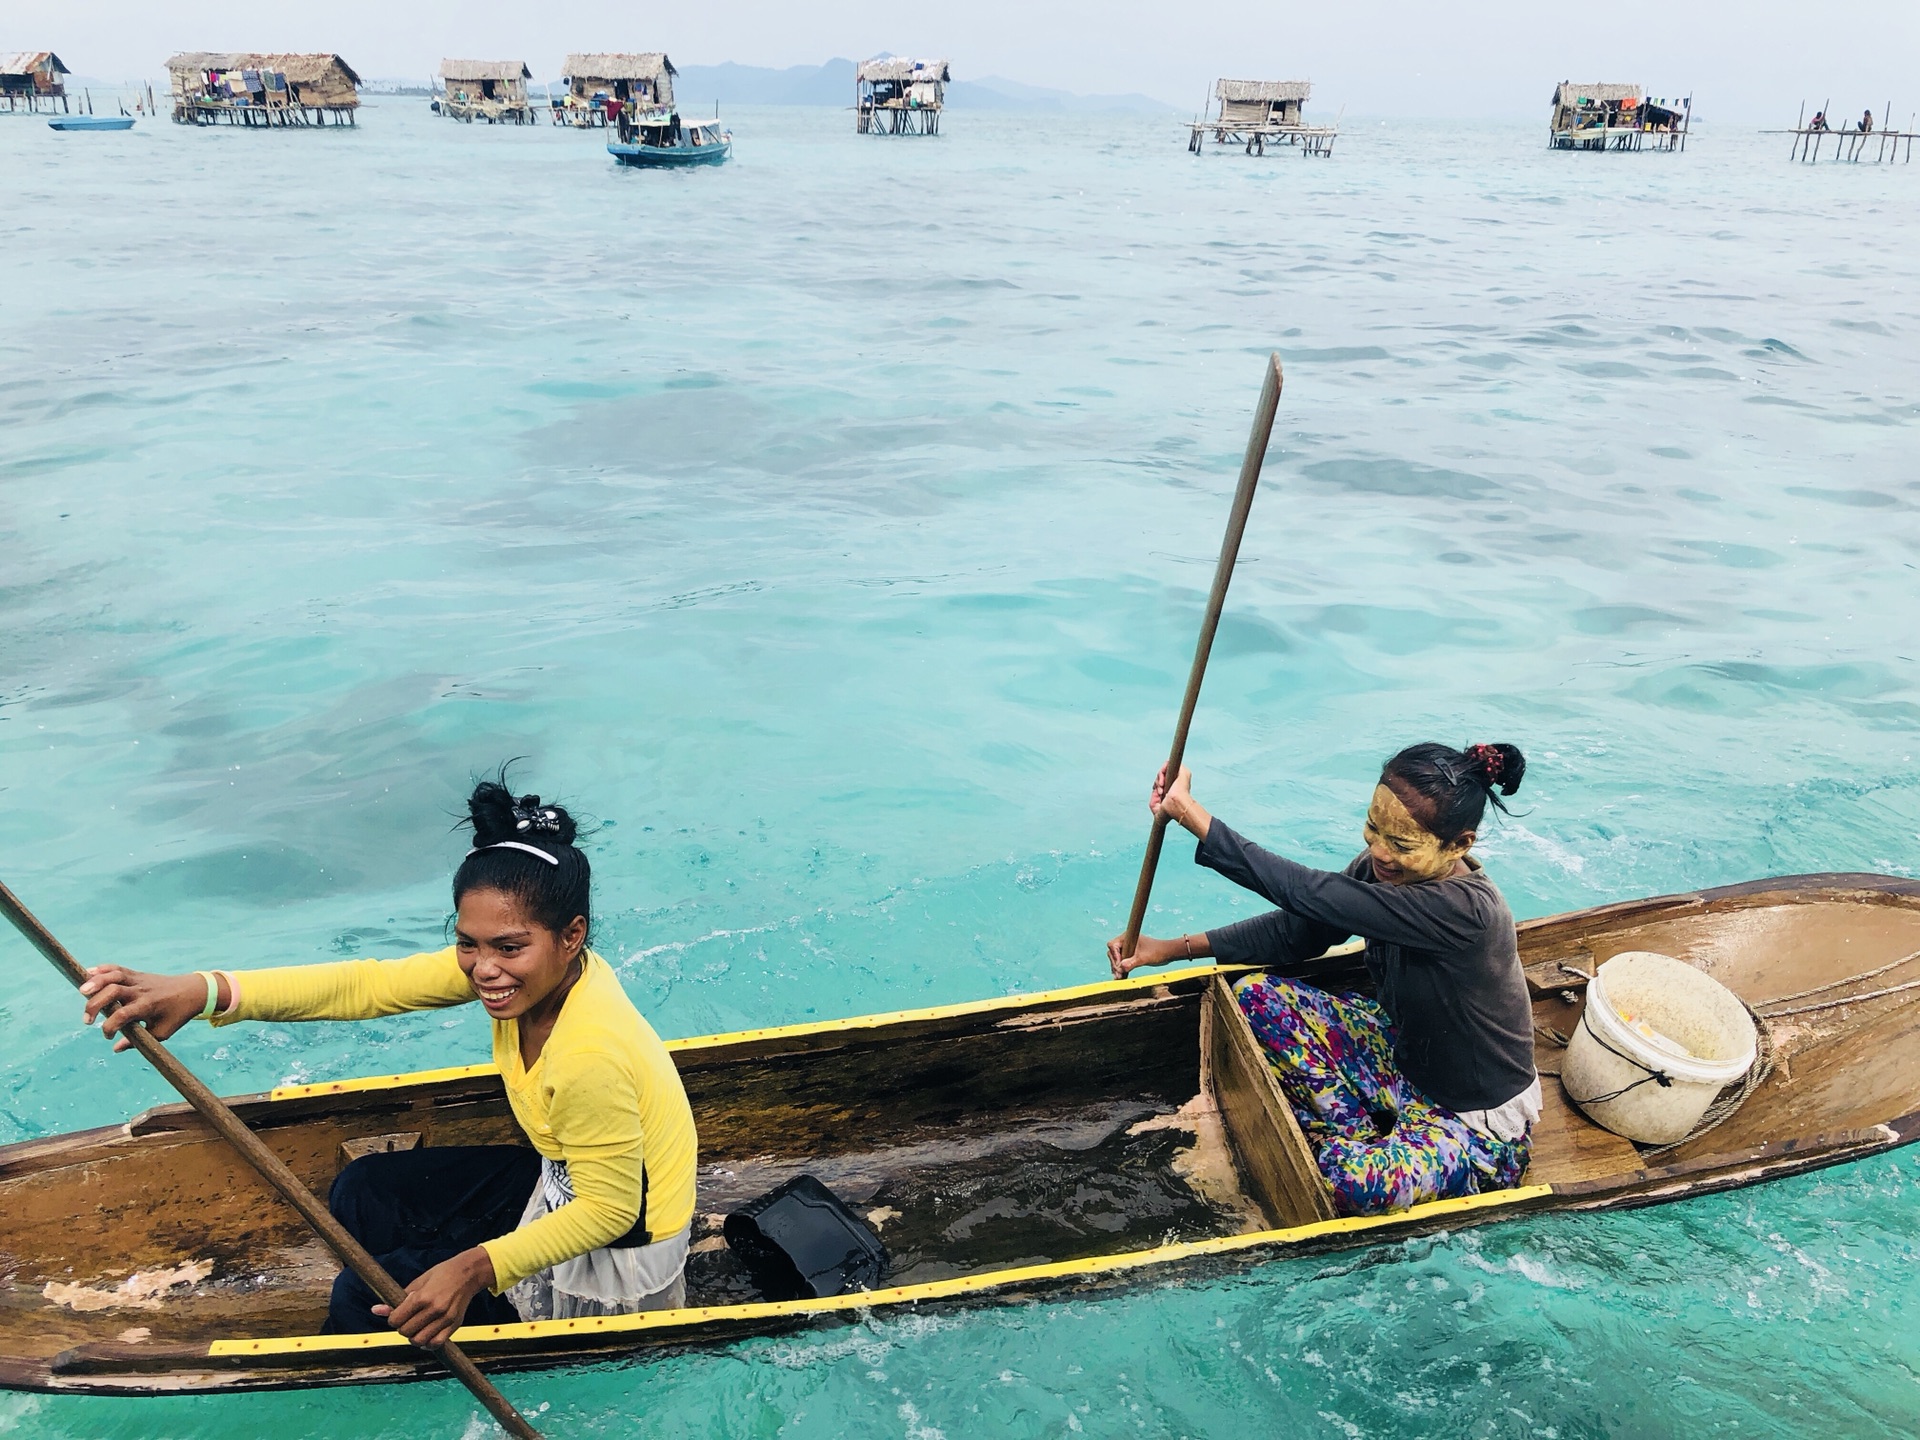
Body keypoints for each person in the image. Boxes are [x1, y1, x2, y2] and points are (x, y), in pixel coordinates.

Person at [79, 775, 697, 1345]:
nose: (485, 969)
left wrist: (471, 1269)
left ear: (571, 936)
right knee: (366, 1191)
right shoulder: (538, 974)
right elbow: (365, 986)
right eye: (467, 944)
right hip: (563, 1181)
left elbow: (611, 1212)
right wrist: (203, 989)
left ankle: (393, 1333)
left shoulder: (589, 1051)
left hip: (618, 1250)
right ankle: (425, 1304)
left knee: (361, 1301)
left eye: (508, 947)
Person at [1109, 743, 1539, 1217]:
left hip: (1470, 1116)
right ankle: (1360, 1133)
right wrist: (1170, 950)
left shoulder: (1467, 910)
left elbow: (1313, 893)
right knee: (1256, 997)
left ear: (1459, 845)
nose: (1380, 852)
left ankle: (1367, 1147)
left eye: (1401, 844)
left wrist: (1190, 813)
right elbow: (1304, 928)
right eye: (1374, 829)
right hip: (1405, 1057)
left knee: (1348, 1186)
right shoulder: (1385, 868)